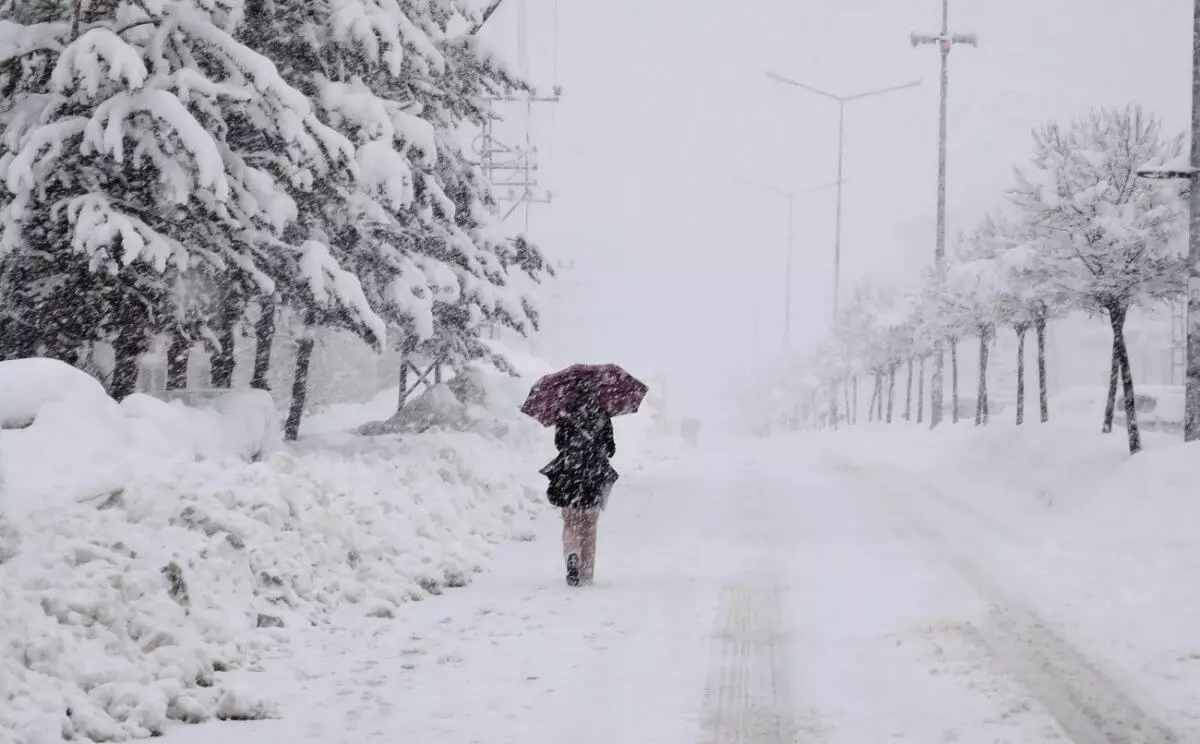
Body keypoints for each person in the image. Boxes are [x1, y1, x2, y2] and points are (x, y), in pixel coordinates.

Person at [539, 387, 617, 587]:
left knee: (570, 522)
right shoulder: (601, 412)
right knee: (589, 526)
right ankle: (586, 571)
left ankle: (572, 555)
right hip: (594, 475)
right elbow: (611, 448)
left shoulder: (564, 412)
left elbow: (559, 444)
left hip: (569, 476)